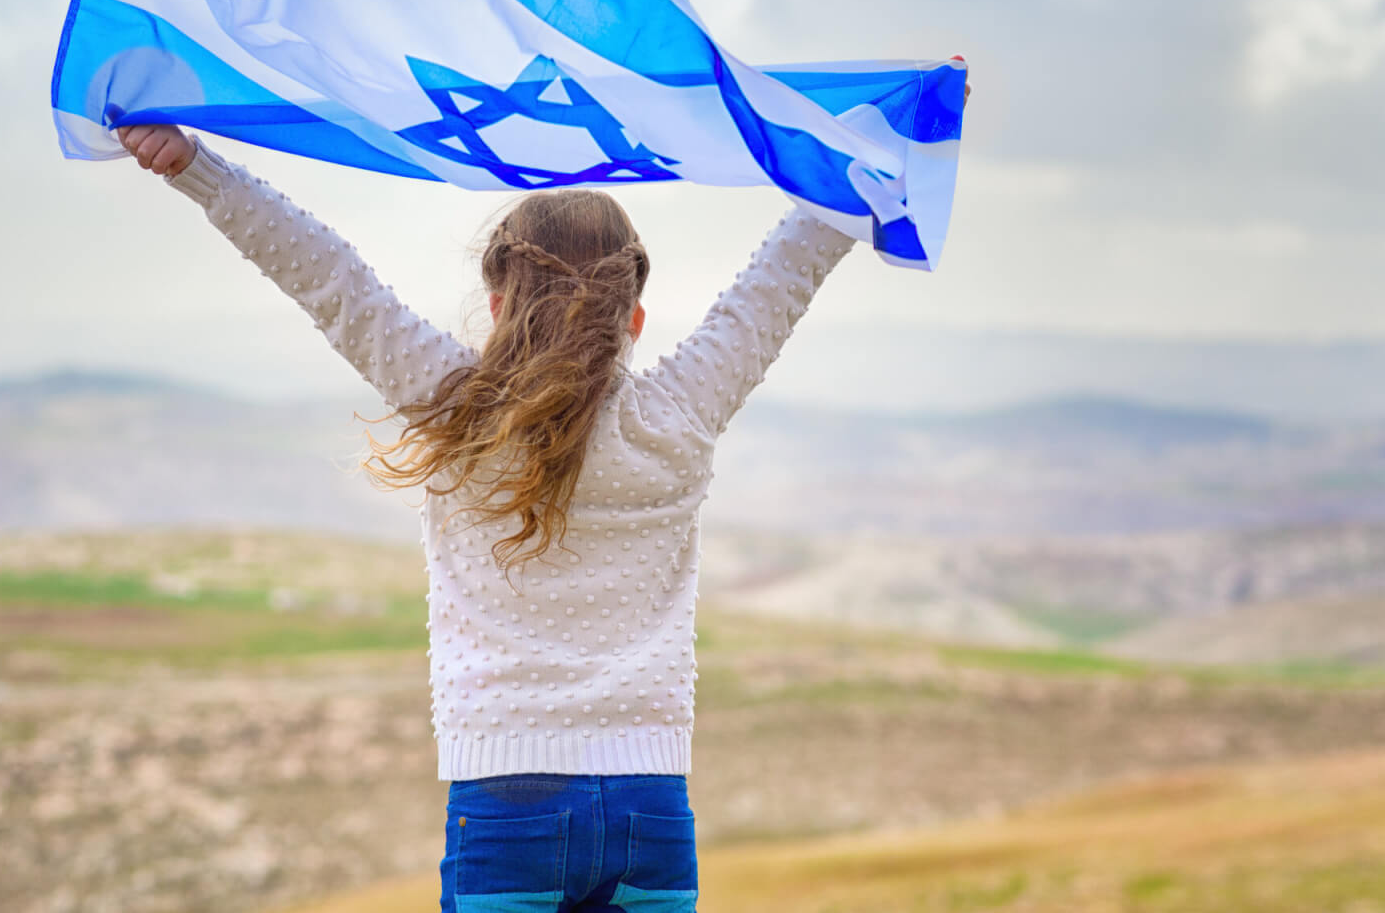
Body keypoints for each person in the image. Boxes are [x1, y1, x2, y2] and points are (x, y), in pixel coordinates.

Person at [115, 87, 961, 912]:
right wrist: (890, 121)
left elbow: (328, 278)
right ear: (632, 317)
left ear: (496, 306)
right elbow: (786, 271)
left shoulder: (456, 407)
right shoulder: (682, 413)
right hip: (652, 811)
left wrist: (197, 168)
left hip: (506, 803)